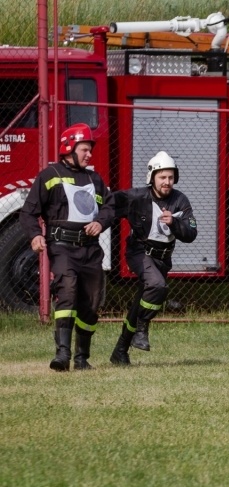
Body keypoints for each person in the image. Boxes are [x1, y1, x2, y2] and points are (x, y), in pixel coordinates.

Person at [19, 123, 116, 371]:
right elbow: (29, 212)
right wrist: (35, 236)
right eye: (85, 149)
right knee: (68, 290)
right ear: (68, 148)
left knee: (92, 302)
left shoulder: (95, 179)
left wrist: (100, 222)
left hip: (90, 249)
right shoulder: (49, 176)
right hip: (62, 247)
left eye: (90, 150)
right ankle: (62, 354)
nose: (89, 155)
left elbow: (109, 206)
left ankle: (82, 358)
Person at [109, 151, 197, 365]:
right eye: (162, 177)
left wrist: (174, 223)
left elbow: (191, 233)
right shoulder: (137, 197)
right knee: (158, 286)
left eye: (170, 177)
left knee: (142, 302)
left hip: (162, 259)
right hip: (139, 253)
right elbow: (110, 203)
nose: (167, 182)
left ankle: (120, 351)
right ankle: (142, 329)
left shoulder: (180, 199)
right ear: (152, 177)